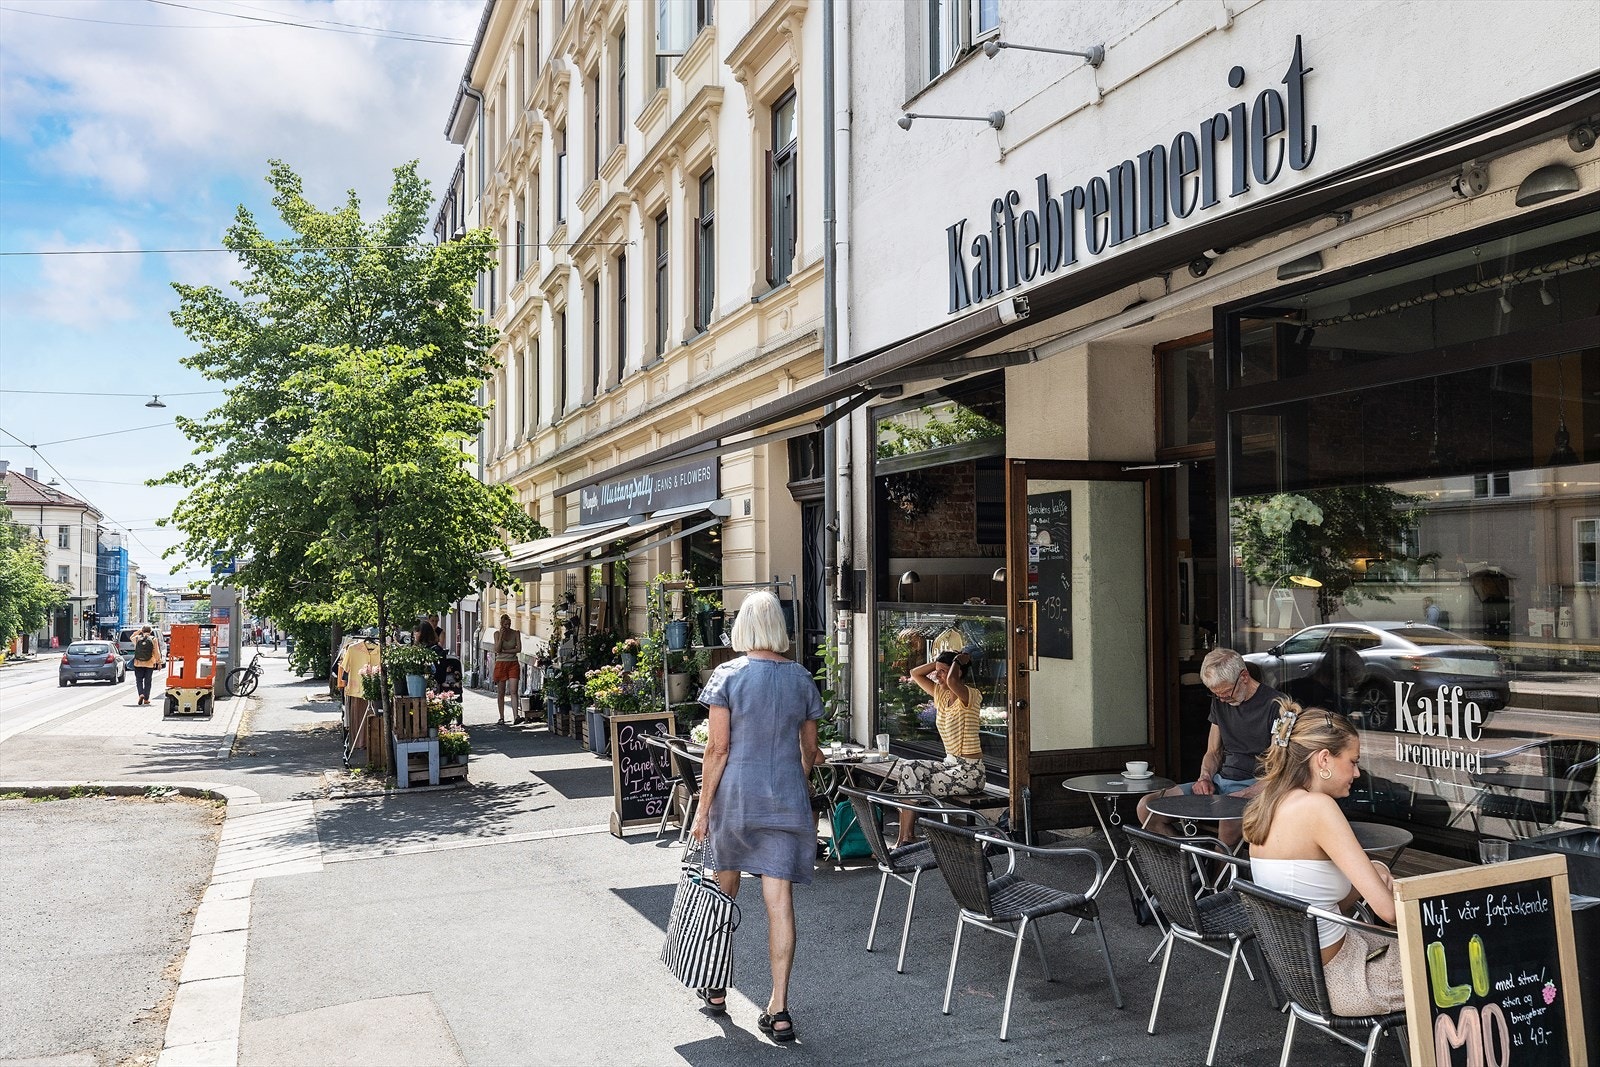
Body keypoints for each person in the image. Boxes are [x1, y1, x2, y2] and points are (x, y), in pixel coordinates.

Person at [690, 591, 824, 1042]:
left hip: (735, 800)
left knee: (721, 895)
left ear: (743, 628)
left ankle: (715, 988)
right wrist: (795, 780)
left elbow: (717, 749)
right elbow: (810, 751)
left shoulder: (728, 675)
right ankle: (779, 1009)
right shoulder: (801, 678)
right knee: (779, 904)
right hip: (785, 801)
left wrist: (702, 810)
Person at [1242, 699, 1403, 1017]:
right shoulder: (1317, 808)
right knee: (1463, 959)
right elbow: (1389, 911)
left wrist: (1374, 872)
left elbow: (1315, 904)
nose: (1357, 773)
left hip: (1304, 978)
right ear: (1324, 759)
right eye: (1352, 761)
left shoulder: (1267, 805)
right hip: (1346, 980)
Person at [1138, 647, 1284, 847]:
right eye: (1216, 695)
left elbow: (1279, 770)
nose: (1222, 700)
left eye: (1226, 693)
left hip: (1257, 786)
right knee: (1147, 807)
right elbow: (1213, 752)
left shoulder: (1277, 705)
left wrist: (1245, 794)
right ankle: (1191, 861)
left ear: (1244, 677)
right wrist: (1205, 778)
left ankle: (1217, 868)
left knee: (1227, 820)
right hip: (1221, 783)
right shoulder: (1220, 701)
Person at [888, 649, 985, 846]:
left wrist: (957, 660)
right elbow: (915, 673)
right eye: (937, 671)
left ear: (958, 671)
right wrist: (940, 661)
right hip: (950, 764)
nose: (936, 675)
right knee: (908, 768)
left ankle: (904, 841)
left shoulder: (971, 695)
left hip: (970, 772)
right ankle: (906, 838)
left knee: (911, 785)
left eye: (942, 672)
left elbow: (952, 681)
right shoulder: (941, 695)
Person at [489, 615, 521, 724]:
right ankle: (501, 717)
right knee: (501, 692)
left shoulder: (516, 633)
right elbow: (497, 650)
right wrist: (501, 636)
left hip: (513, 663)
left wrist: (505, 651)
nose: (507, 626)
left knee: (513, 691)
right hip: (501, 663)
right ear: (501, 624)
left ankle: (516, 716)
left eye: (509, 624)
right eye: (505, 624)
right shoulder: (497, 634)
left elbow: (518, 649)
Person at [130, 625, 164, 707]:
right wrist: (159, 662)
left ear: (142, 631)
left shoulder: (137, 638)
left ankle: (141, 694)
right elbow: (156, 652)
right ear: (150, 631)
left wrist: (138, 631)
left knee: (139, 680)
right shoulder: (153, 639)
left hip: (138, 663)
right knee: (148, 681)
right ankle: (146, 699)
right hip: (149, 663)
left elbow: (131, 637)